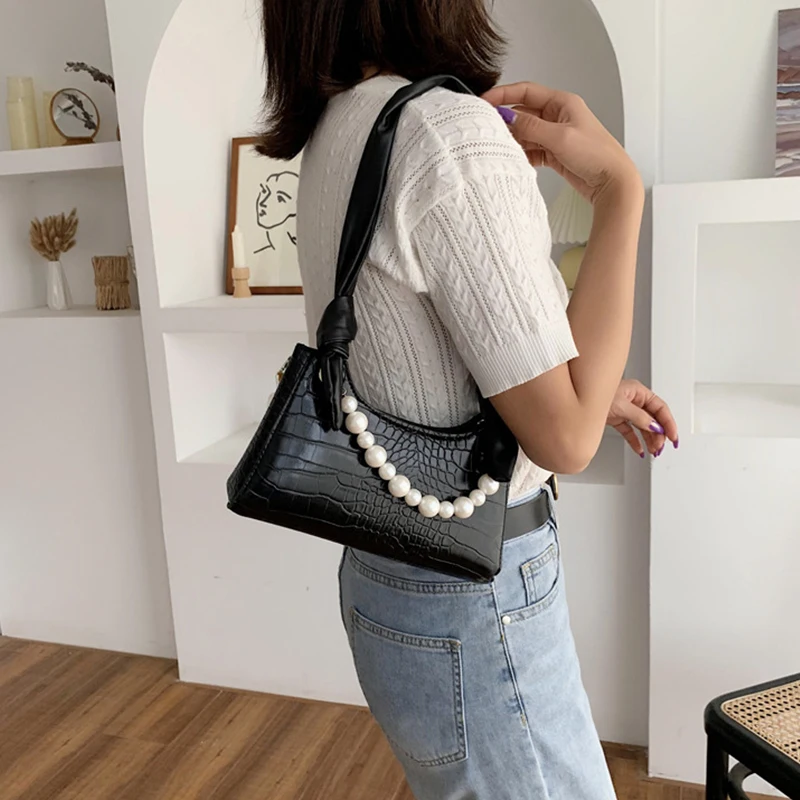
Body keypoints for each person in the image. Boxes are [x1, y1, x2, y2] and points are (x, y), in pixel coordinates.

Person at [257, 1, 678, 798]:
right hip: (477, 589)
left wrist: (583, 389)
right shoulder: (444, 133)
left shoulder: (342, 125)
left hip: (386, 571)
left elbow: (422, 356)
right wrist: (621, 190)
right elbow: (566, 441)